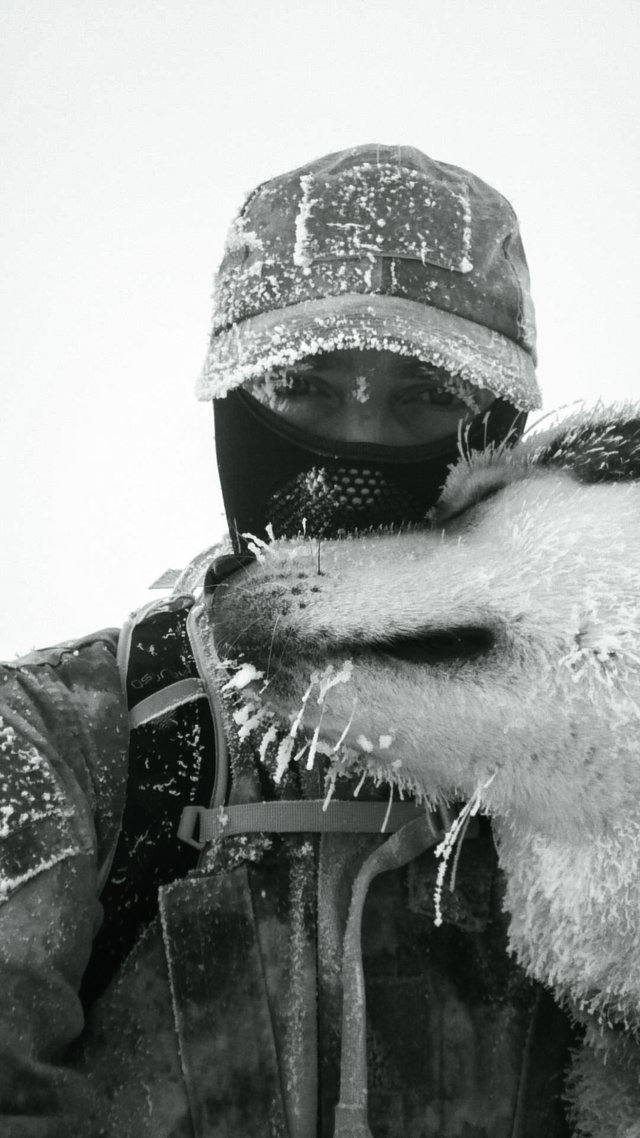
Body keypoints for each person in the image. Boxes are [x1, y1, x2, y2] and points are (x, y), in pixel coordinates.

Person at [0, 144, 576, 1138]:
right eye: (305, 382)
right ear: (232, 399)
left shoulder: (589, 759)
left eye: (428, 395)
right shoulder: (62, 740)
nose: (362, 441)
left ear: (500, 429)